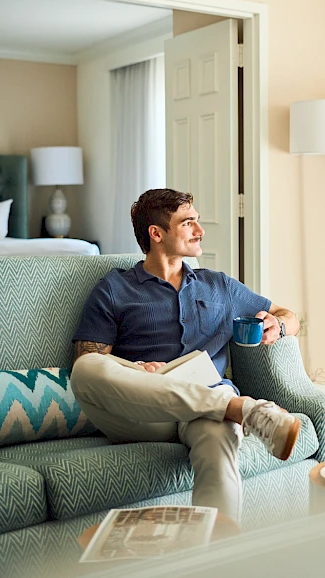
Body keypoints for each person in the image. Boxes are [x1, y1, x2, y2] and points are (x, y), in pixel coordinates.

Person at [70, 188, 302, 524]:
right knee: (85, 370)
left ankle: (214, 557)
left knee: (217, 431)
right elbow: (90, 358)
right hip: (145, 411)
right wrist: (134, 369)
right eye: (189, 222)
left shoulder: (219, 285)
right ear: (157, 233)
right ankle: (245, 410)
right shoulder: (113, 288)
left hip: (206, 404)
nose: (200, 230)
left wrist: (278, 327)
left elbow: (288, 315)